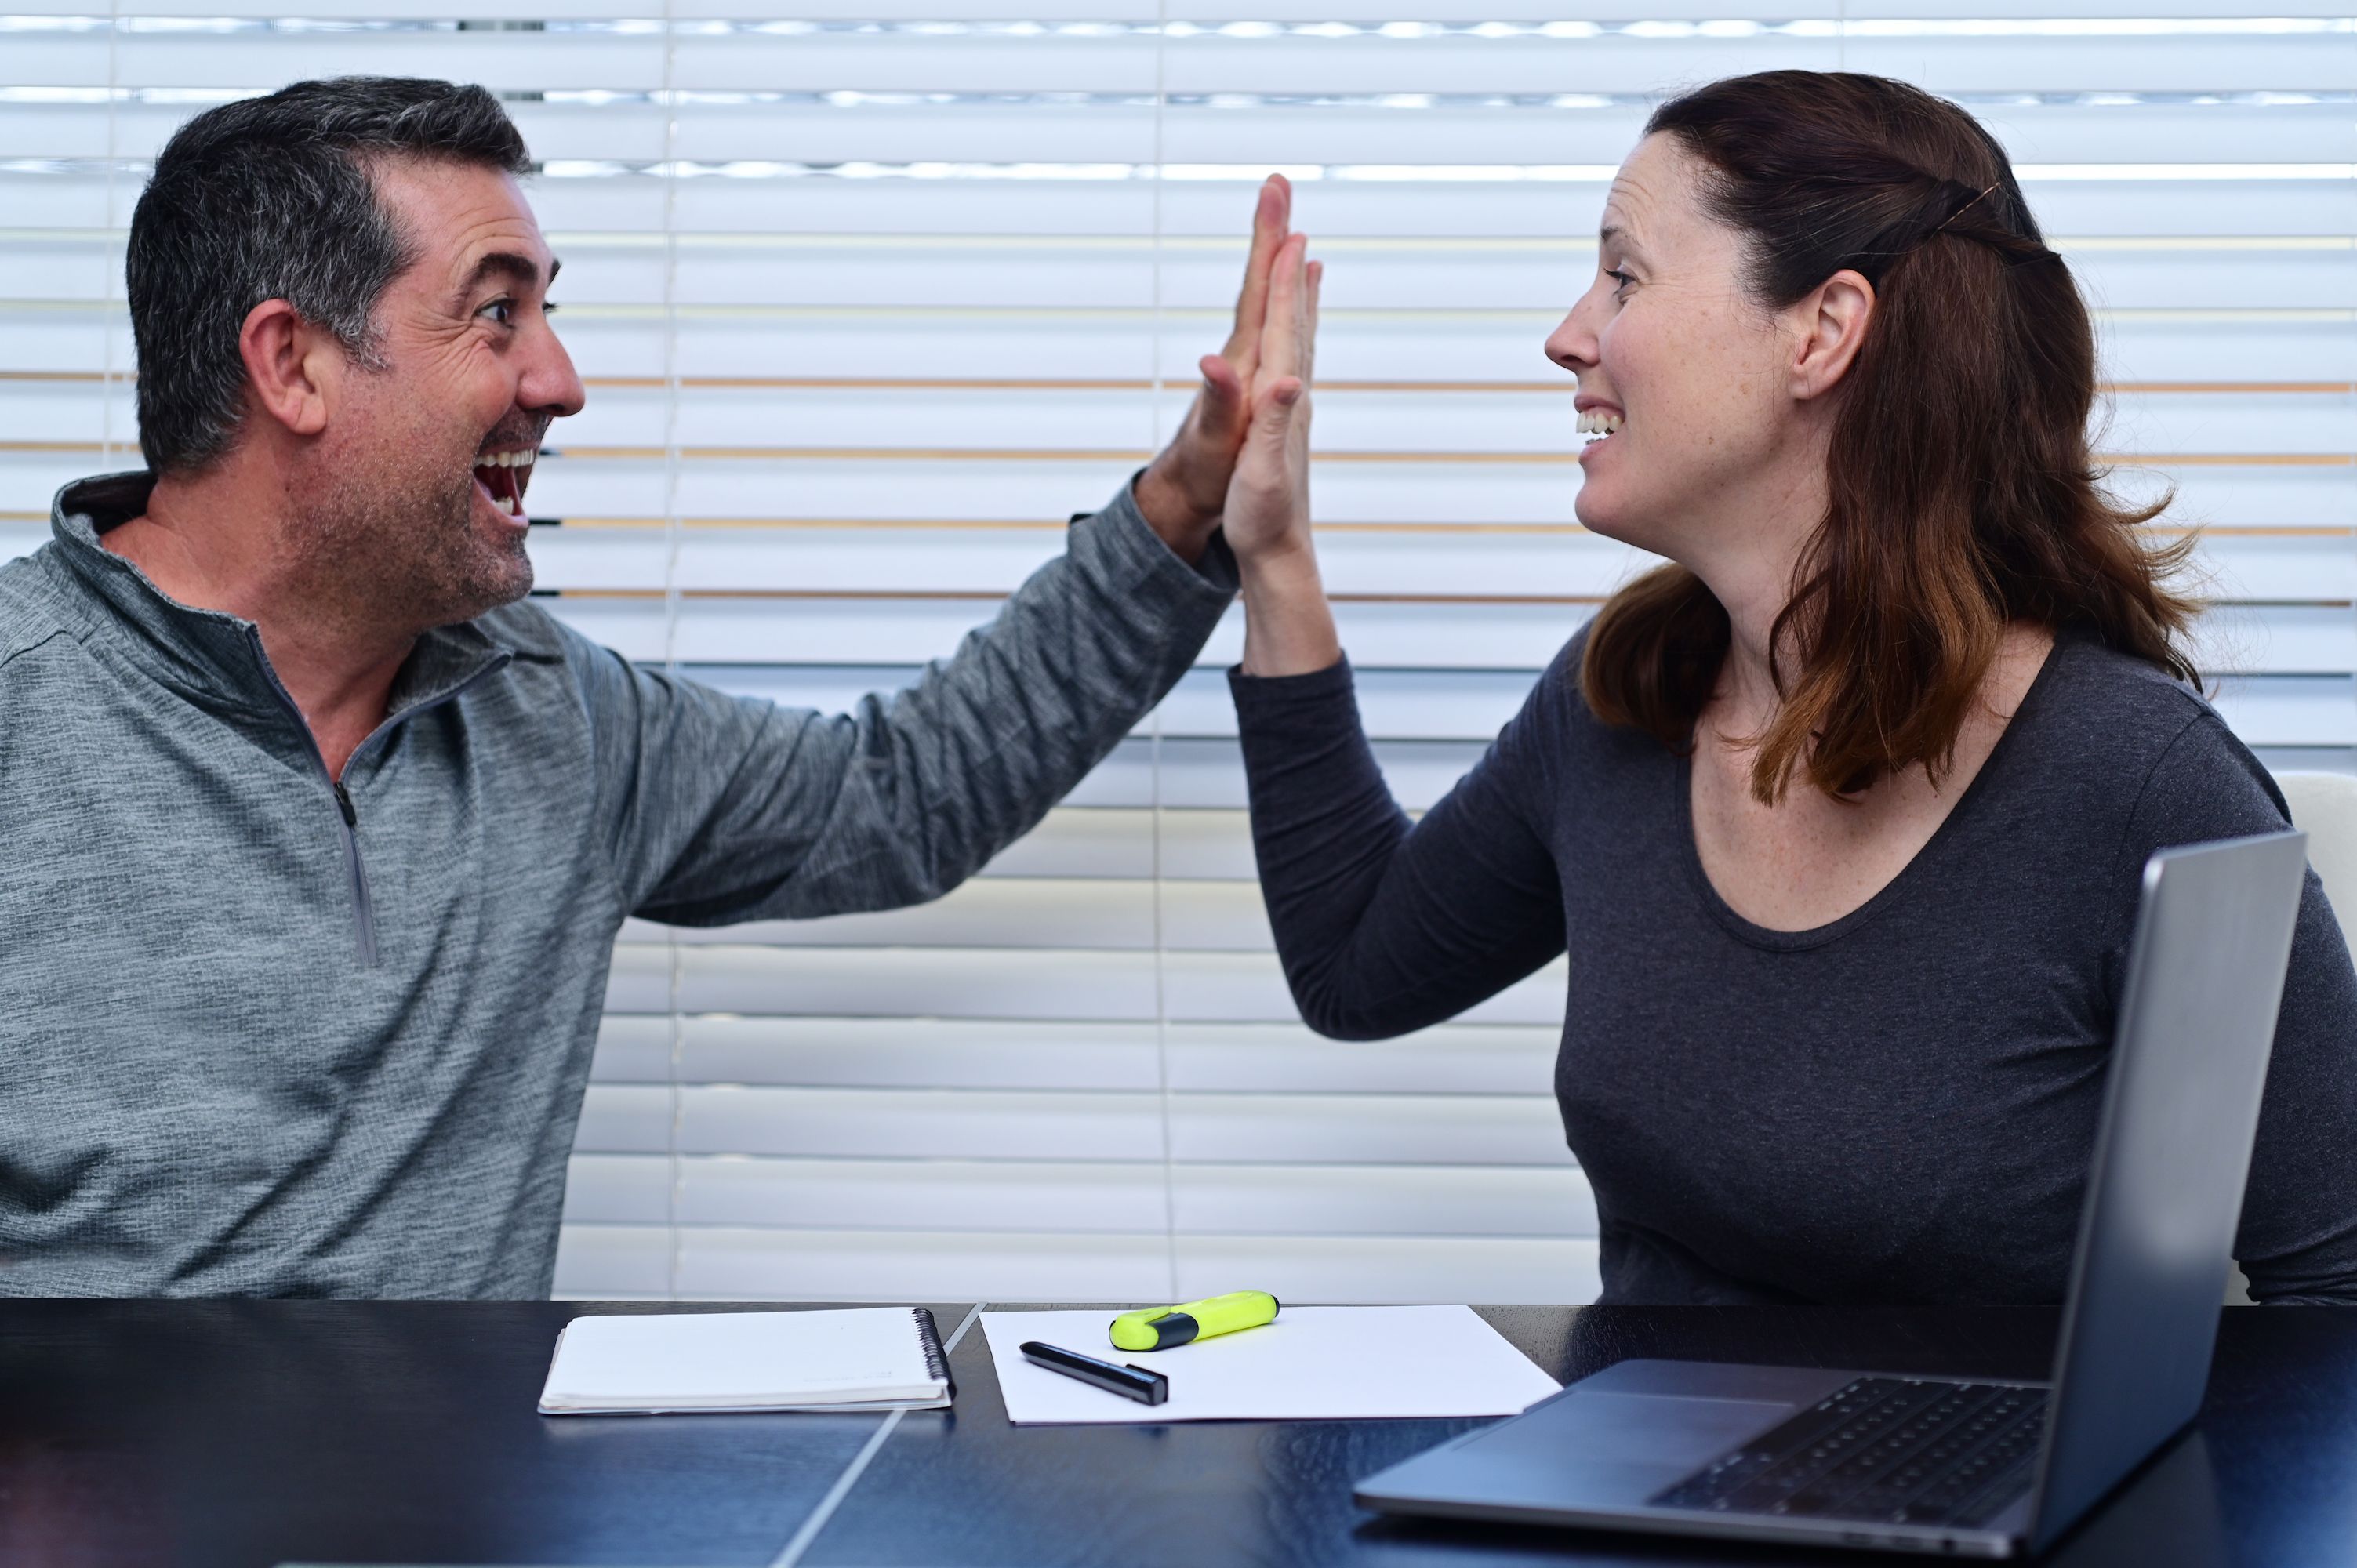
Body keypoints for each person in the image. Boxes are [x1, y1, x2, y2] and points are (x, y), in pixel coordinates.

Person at [0, 77, 1304, 1297]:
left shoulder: (545, 712)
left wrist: (1183, 502)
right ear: (292, 366)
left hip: (452, 1530)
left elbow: (903, 795)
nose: (559, 383)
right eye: (496, 310)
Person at [1212, 70, 2357, 1305]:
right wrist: (1273, 554)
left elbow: (2336, 1293)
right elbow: (1354, 968)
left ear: (1820, 331)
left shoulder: (2134, 782)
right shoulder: (1623, 703)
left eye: (1625, 275)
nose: (1568, 334)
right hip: (1631, 1486)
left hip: (1997, 1496)